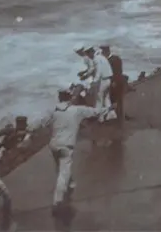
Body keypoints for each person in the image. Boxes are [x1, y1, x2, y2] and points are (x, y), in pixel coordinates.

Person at [50, 85, 110, 220]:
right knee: (62, 174)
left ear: (59, 97)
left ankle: (70, 184)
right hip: (67, 146)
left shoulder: (54, 112)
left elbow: (44, 123)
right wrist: (109, 109)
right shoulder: (77, 110)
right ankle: (57, 201)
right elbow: (95, 112)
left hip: (54, 145)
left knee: (61, 168)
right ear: (70, 97)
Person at [100, 45, 128, 121]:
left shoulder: (113, 60)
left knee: (115, 99)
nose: (102, 53)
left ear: (107, 51)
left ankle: (119, 118)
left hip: (115, 82)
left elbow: (117, 72)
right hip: (117, 81)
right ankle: (120, 116)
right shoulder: (116, 58)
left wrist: (114, 82)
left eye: (103, 51)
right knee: (117, 100)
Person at [93, 46, 115, 120]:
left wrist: (95, 81)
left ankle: (100, 117)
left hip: (103, 80)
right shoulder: (103, 58)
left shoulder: (96, 58)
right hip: (108, 79)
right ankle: (111, 114)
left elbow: (99, 70)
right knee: (106, 98)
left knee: (99, 99)